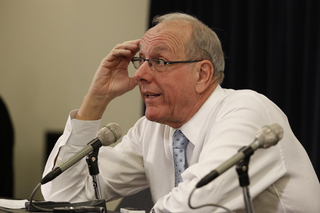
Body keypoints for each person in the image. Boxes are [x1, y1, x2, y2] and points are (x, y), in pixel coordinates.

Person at [42, 12, 320, 212]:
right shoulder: (152, 129)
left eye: (159, 61)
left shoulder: (247, 111)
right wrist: (97, 99)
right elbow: (64, 195)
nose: (139, 74)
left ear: (202, 74)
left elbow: (197, 204)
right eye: (141, 60)